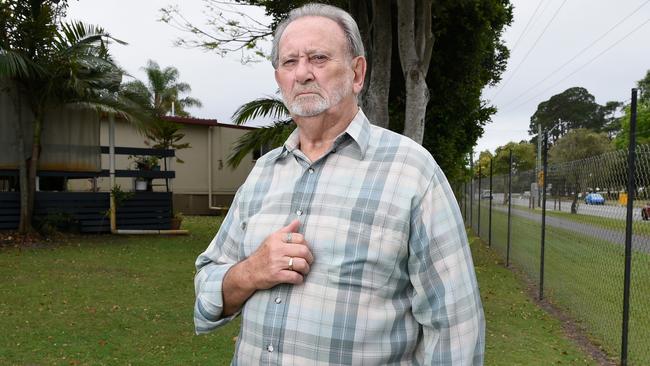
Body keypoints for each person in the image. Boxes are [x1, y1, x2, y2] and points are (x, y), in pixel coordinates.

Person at [194, 3, 484, 365]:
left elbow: (455, 327)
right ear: (279, 78)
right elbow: (207, 289)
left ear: (357, 73)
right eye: (289, 62)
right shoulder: (263, 173)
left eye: (318, 58)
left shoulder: (410, 171)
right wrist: (252, 271)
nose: (302, 73)